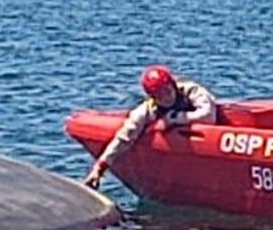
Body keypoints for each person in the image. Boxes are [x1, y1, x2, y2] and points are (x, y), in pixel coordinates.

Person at [83, 65, 219, 188]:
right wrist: (99, 169)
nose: (166, 97)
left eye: (167, 89)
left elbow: (208, 116)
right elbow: (123, 139)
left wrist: (173, 119)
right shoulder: (146, 111)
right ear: (152, 97)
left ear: (172, 84)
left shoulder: (191, 91)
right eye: (159, 95)